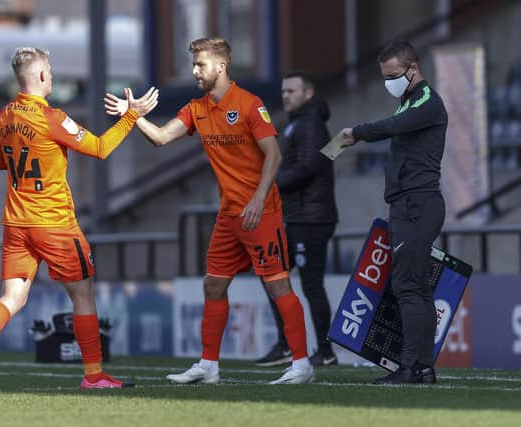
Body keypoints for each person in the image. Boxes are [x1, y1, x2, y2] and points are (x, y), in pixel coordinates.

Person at [105, 37, 314, 385]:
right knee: (213, 286)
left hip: (261, 213)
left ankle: (302, 365)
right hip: (229, 215)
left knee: (279, 286)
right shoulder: (196, 109)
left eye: (200, 64)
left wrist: (259, 200)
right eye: (194, 65)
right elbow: (159, 138)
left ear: (221, 66)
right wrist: (133, 116)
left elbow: (274, 155)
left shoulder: (249, 104)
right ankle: (209, 366)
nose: (194, 71)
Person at [0, 47, 159, 391]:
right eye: (51, 70)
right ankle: (94, 376)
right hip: (55, 223)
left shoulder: (5, 115)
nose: (54, 75)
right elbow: (99, 147)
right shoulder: (51, 117)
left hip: (17, 224)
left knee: (12, 299)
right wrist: (131, 117)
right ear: (42, 76)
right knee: (83, 294)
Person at [340, 39, 447, 385]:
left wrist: (357, 133)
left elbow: (393, 127)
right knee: (418, 287)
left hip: (418, 204)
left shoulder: (428, 102)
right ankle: (423, 368)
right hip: (408, 204)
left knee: (407, 286)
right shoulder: (409, 100)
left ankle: (409, 367)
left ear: (412, 69)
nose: (389, 82)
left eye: (393, 75)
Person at [256, 72, 339, 367]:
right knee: (273, 276)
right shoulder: (299, 123)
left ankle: (324, 352)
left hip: (311, 218)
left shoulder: (309, 124)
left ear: (308, 92)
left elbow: (306, 169)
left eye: (292, 90)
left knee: (310, 284)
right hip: (298, 216)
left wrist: (268, 184)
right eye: (283, 91)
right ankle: (289, 345)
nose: (286, 96)